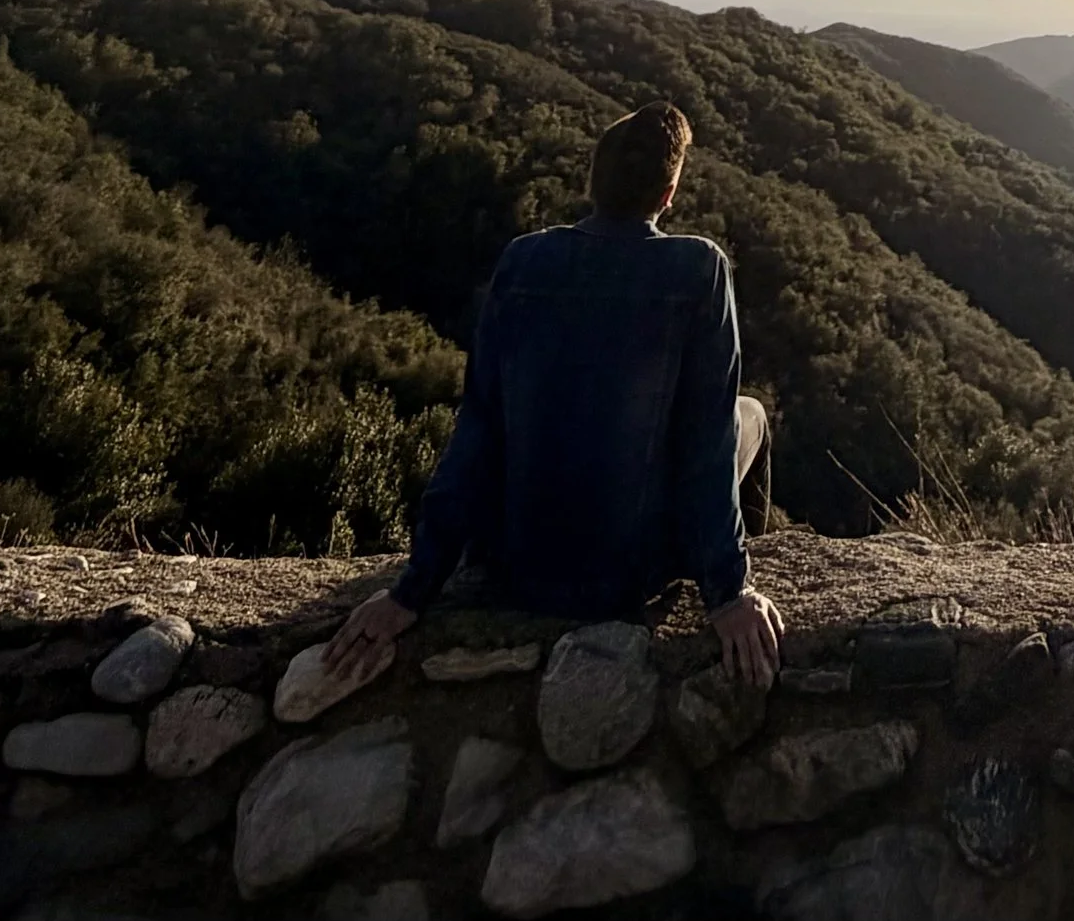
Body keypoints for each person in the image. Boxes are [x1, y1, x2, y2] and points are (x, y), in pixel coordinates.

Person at [325, 101, 786, 685]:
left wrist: (413, 589)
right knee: (750, 415)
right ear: (668, 195)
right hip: (627, 577)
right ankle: (745, 584)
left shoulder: (525, 259)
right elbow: (706, 443)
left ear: (591, 182)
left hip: (517, 566)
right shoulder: (698, 268)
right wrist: (726, 591)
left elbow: (479, 428)